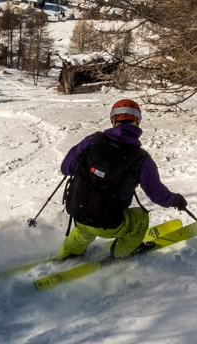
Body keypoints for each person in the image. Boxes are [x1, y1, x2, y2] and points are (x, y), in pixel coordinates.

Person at [58, 98, 187, 259]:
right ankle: (121, 255)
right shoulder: (141, 158)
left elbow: (65, 168)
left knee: (85, 225)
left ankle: (68, 254)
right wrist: (175, 200)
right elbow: (157, 195)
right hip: (110, 223)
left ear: (113, 120)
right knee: (141, 218)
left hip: (79, 214)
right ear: (137, 122)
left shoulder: (91, 141)